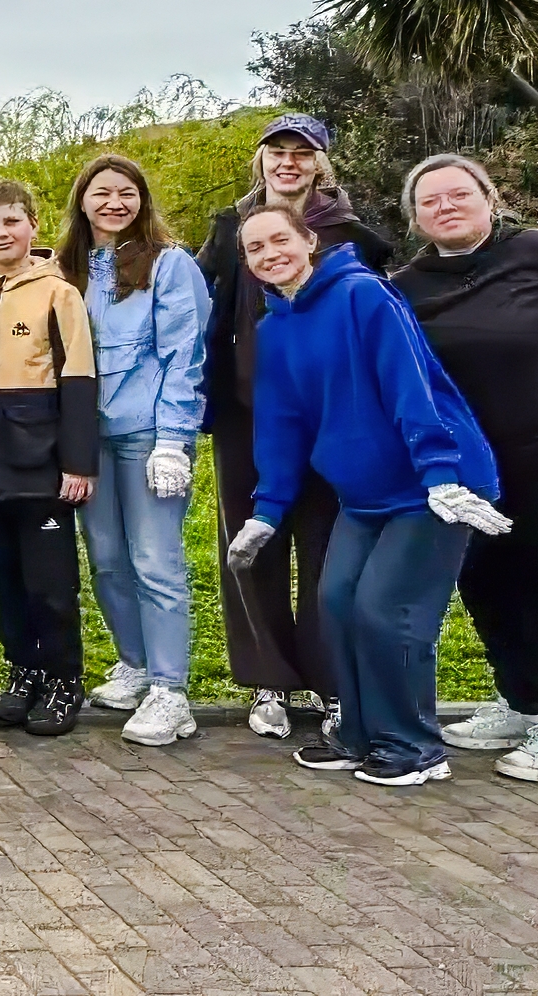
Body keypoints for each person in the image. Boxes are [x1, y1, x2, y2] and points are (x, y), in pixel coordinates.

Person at [230, 205, 508, 787]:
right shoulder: (273, 328)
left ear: (309, 241)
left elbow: (411, 384)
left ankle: (414, 748)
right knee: (336, 605)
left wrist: (440, 474)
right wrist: (266, 511)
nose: (269, 254)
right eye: (255, 249)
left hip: (434, 486)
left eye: (280, 239)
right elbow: (281, 426)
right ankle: (359, 735)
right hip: (365, 496)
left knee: (389, 613)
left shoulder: (365, 296)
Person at [393, 154, 538, 783]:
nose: (445, 207)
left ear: (489, 199)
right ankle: (521, 699)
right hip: (475, 462)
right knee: (491, 581)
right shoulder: (409, 287)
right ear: (415, 217)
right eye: (429, 200)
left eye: (458, 195)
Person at [195, 112, 394, 738]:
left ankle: (331, 682)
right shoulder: (230, 227)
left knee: (326, 546)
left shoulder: (354, 235)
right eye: (276, 151)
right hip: (247, 416)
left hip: (334, 414)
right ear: (260, 158)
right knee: (251, 546)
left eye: (302, 153)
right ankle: (268, 683)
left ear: (320, 161)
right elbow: (200, 305)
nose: (288, 162)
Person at [54, 154, 210, 747]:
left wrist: (173, 440)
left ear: (142, 201)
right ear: (83, 201)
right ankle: (136, 664)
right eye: (102, 193)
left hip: (149, 436)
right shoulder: (66, 269)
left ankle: (171, 691)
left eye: (126, 193)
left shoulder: (169, 267)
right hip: (89, 439)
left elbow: (184, 355)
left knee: (155, 561)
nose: (114, 203)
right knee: (108, 559)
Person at [0, 180, 100, 738]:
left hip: (41, 463)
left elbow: (80, 378)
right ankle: (24, 672)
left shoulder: (58, 293)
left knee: (49, 582)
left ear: (33, 225)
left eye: (12, 222)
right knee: (0, 577)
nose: (2, 233)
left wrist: (78, 461)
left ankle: (65, 680)